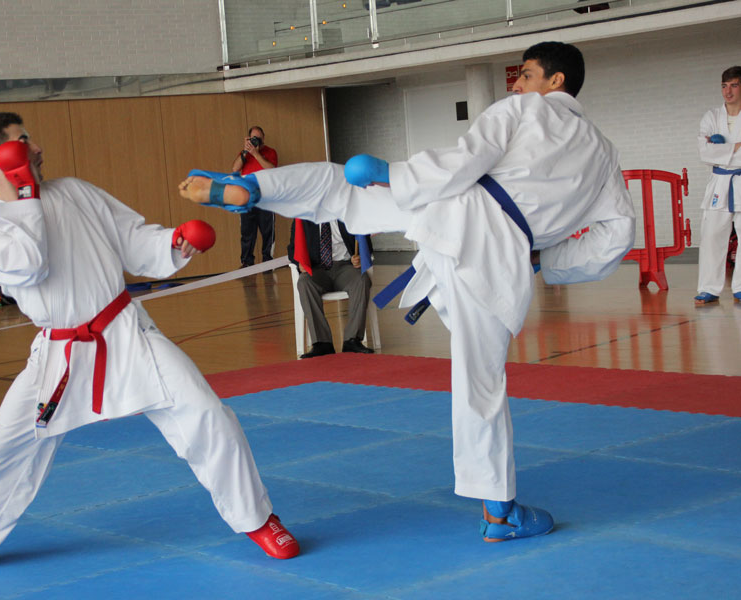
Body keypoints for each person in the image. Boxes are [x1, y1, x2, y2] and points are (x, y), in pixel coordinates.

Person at [180, 41, 635, 542]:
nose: (517, 84)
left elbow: (469, 156)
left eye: (526, 75)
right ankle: (500, 514)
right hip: (505, 254)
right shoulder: (605, 155)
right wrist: (547, 261)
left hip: (453, 210)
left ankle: (256, 189)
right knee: (481, 385)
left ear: (556, 82)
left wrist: (395, 176)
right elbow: (616, 236)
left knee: (341, 190)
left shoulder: (524, 109)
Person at [0, 112, 299, 580]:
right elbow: (30, 265)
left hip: (126, 332)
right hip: (58, 355)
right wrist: (25, 196)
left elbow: (132, 239)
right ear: (1, 158)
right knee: (3, 451)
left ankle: (257, 519)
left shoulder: (75, 191)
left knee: (207, 414)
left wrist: (174, 244)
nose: (36, 148)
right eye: (24, 142)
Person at [289, 218, 374, 357]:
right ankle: (322, 343)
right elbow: (293, 248)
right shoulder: (304, 218)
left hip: (345, 266)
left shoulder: (349, 215)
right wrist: (299, 263)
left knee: (362, 280)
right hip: (317, 269)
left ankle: (352, 340)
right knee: (304, 283)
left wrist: (358, 258)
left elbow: (366, 244)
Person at [693, 66, 741, 305]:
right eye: (724, 86)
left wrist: (721, 149)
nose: (728, 91)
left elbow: (713, 151)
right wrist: (735, 147)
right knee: (712, 236)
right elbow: (704, 153)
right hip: (720, 182)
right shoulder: (711, 117)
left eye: (733, 85)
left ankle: (740, 287)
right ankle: (709, 288)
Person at [231, 126, 277, 268]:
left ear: (263, 137)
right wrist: (246, 151)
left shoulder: (270, 152)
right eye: (253, 138)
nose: (256, 140)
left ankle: (268, 262)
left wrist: (256, 154)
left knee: (268, 231)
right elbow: (234, 168)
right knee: (247, 232)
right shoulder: (245, 154)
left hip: (266, 198)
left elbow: (272, 169)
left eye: (258, 137)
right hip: (247, 199)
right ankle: (246, 262)